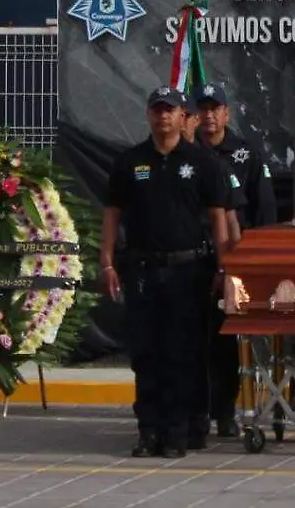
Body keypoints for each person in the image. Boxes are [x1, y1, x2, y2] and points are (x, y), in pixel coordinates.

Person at [100, 86, 229, 458]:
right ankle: (149, 431)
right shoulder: (130, 161)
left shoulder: (202, 162)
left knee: (182, 353)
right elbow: (112, 214)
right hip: (142, 271)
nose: (163, 117)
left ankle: (177, 432)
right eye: (157, 110)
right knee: (145, 353)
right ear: (148, 115)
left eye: (170, 110)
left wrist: (224, 268)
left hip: (188, 272)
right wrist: (106, 260)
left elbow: (219, 220)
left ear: (182, 115)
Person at [196, 82, 277, 437]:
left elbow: (263, 211)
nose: (209, 115)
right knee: (192, 341)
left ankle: (226, 411)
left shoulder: (245, 154)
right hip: (191, 258)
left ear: (227, 113)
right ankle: (196, 412)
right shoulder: (185, 153)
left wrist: (256, 263)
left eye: (216, 108)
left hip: (234, 263)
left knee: (229, 341)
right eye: (204, 108)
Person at [182, 93, 247, 449]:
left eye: (208, 112)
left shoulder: (216, 165)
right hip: (178, 265)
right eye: (193, 113)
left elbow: (233, 221)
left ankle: (223, 411)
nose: (199, 120)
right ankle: (190, 415)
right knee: (185, 345)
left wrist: (230, 269)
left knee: (222, 345)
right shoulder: (161, 161)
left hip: (213, 264)